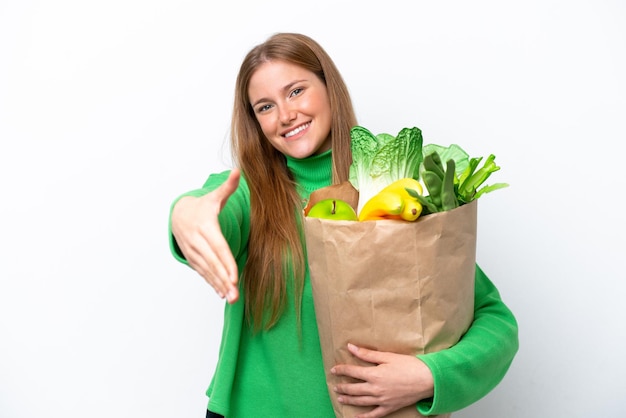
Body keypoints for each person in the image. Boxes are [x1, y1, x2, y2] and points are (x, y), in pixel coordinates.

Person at [168, 32, 518, 418]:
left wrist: (429, 376)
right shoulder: (249, 194)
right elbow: (212, 209)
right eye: (265, 106)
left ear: (329, 87)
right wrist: (185, 215)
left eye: (296, 91)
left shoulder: (393, 191)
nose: (285, 115)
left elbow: (493, 320)